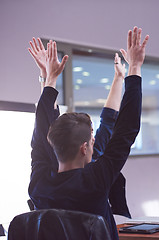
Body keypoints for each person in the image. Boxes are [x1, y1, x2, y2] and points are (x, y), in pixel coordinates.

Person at [28, 26, 149, 240]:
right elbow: (126, 130)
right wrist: (136, 66)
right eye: (91, 140)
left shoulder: (39, 184)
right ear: (84, 148)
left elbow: (39, 138)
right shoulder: (95, 180)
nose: (94, 142)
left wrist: (49, 81)